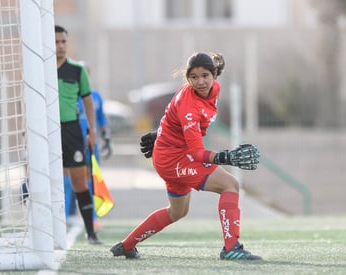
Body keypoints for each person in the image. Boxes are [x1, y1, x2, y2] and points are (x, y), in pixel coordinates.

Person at [110, 52, 261, 260]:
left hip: (168, 155)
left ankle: (126, 245)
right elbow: (196, 152)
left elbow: (171, 116)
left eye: (205, 75)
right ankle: (231, 248)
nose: (200, 82)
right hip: (176, 159)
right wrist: (224, 157)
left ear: (215, 75)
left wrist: (161, 134)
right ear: (187, 78)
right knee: (230, 185)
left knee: (177, 212)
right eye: (194, 77)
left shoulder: (214, 88)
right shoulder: (189, 105)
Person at [55, 25, 102, 245]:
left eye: (64, 41)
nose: (61, 46)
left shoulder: (77, 70)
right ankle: (46, 229)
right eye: (56, 42)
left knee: (79, 182)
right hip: (46, 131)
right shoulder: (40, 69)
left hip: (72, 130)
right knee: (42, 181)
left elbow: (88, 102)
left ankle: (91, 233)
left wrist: (92, 130)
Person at [64, 63, 112, 230]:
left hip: (91, 146)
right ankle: (65, 215)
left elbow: (101, 119)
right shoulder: (68, 95)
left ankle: (91, 217)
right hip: (72, 143)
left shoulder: (96, 96)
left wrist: (106, 137)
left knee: (91, 180)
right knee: (69, 180)